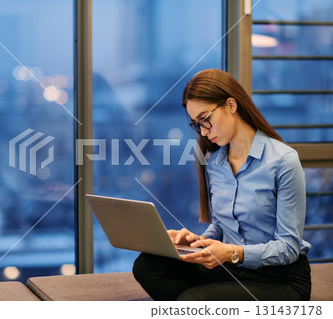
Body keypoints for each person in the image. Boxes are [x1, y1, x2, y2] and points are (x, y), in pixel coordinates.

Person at [132, 69, 311, 301]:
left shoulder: (283, 161)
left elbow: (288, 248)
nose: (204, 132)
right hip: (232, 269)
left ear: (231, 105)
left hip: (280, 278)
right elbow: (221, 226)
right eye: (197, 124)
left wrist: (231, 253)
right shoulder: (215, 161)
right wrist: (196, 242)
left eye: (206, 119)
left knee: (193, 301)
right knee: (147, 265)